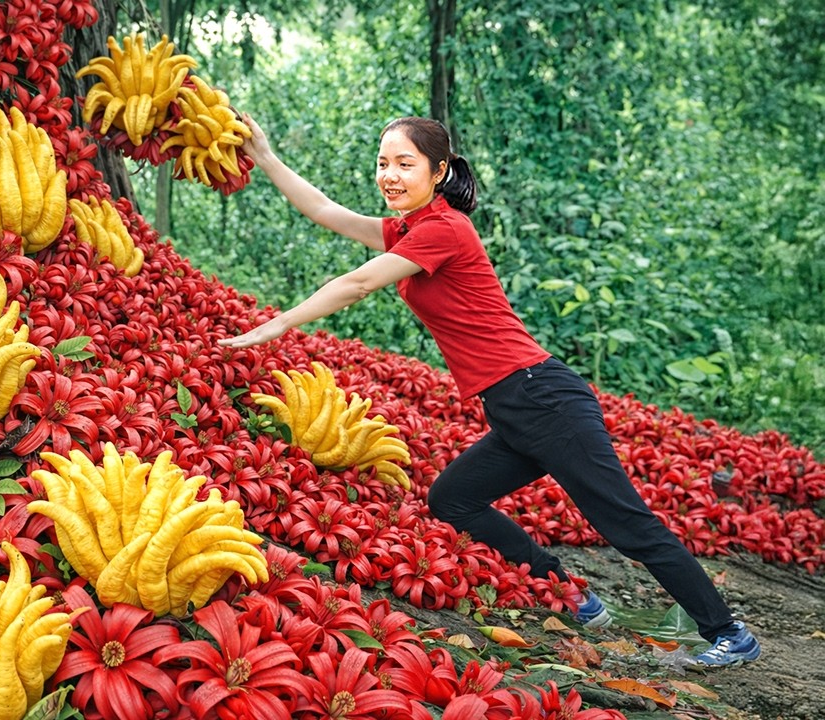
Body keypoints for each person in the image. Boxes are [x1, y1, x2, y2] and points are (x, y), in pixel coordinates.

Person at [218, 113, 761, 669]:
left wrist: (276, 325)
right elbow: (326, 212)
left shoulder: (444, 229)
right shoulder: (408, 228)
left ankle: (728, 633)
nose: (391, 175)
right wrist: (264, 155)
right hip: (515, 408)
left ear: (440, 170)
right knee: (452, 499)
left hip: (543, 398)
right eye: (384, 163)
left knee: (626, 525)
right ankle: (573, 594)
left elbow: (357, 283)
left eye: (406, 164)